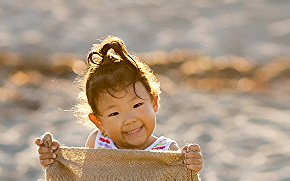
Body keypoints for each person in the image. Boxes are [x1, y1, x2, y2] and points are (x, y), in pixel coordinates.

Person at [35, 35, 203, 171]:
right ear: (98, 122)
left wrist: (191, 165)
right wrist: (55, 160)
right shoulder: (98, 144)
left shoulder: (168, 151)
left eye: (137, 105)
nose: (130, 119)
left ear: (153, 102)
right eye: (114, 113)